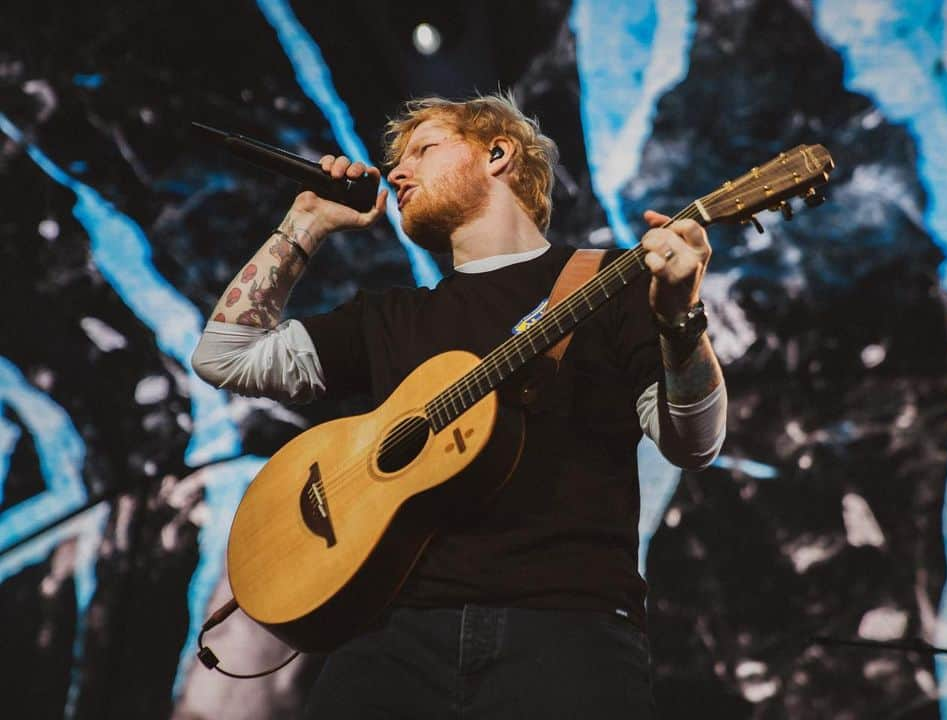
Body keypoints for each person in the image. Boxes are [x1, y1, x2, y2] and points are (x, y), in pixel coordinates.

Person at [192, 93, 726, 719]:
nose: (396, 172)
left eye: (424, 148)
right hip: (391, 642)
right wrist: (306, 222)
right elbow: (224, 355)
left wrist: (682, 322)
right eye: (396, 159)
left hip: (566, 633)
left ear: (497, 154)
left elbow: (692, 443)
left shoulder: (614, 280)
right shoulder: (389, 318)